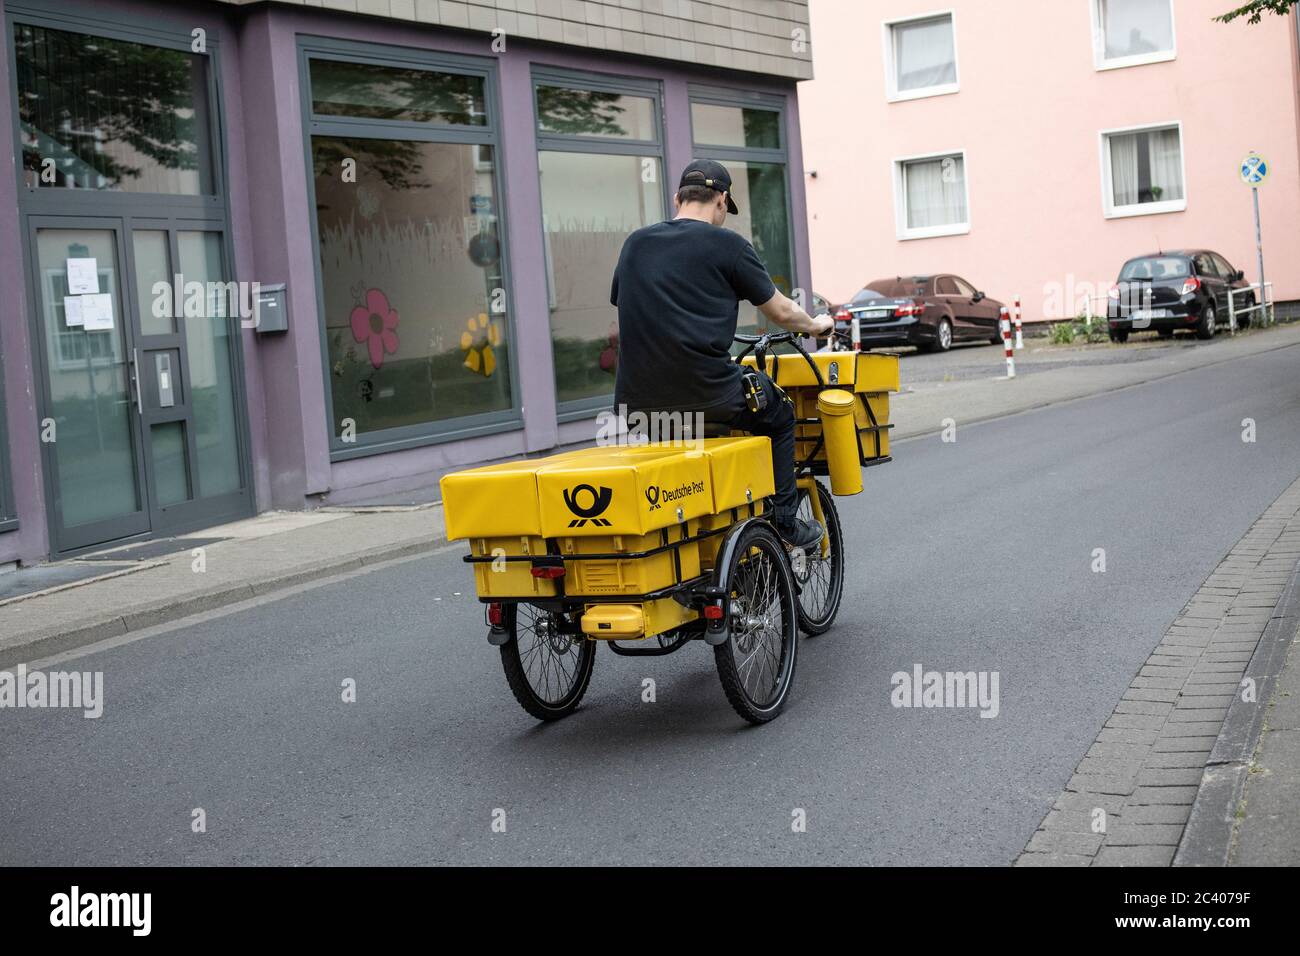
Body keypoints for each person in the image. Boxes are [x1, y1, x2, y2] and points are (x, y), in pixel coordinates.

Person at [609, 159, 834, 551]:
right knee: (779, 414)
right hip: (708, 391)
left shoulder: (635, 244)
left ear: (678, 198)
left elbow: (624, 303)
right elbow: (781, 311)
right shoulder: (728, 246)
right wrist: (816, 325)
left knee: (679, 462)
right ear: (721, 201)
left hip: (639, 402)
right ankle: (783, 522)